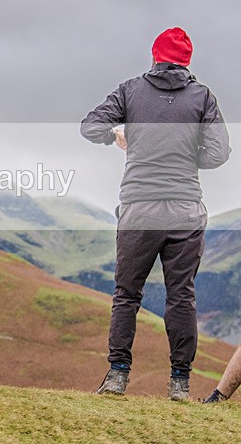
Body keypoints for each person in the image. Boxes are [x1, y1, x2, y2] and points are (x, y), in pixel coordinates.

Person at [81, 27, 231, 401]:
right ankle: (179, 383)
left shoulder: (130, 90)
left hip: (139, 207)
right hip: (184, 208)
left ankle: (117, 376)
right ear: (187, 61)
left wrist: (117, 136)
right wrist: (183, 154)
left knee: (127, 294)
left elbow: (90, 126)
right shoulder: (202, 97)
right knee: (182, 296)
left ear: (154, 57)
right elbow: (219, 153)